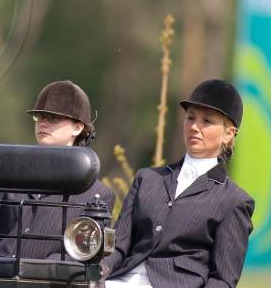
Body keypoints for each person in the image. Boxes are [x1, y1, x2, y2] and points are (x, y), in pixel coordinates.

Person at [102, 79, 254, 288]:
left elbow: (222, 280)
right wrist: (97, 274)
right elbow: (117, 245)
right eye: (190, 118)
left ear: (229, 134)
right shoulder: (147, 178)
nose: (194, 127)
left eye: (207, 121)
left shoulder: (234, 201)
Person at [0, 80, 115, 259]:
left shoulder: (97, 196)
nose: (43, 123)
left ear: (77, 128)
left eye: (53, 118)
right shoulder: (6, 174)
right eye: (39, 117)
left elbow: (82, 255)